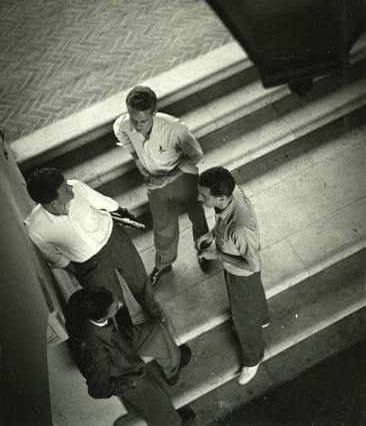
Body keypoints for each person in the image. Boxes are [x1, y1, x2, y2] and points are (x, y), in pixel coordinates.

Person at [25, 167, 163, 326]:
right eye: (65, 188)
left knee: (138, 276)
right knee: (110, 299)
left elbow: (103, 202)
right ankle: (126, 327)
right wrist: (78, 270)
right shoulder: (36, 227)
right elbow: (53, 256)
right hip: (88, 263)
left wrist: (123, 211)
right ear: (52, 202)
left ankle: (152, 308)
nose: (70, 186)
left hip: (113, 238)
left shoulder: (76, 187)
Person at [113, 85, 209, 287]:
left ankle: (205, 251)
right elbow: (126, 140)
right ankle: (164, 264)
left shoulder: (175, 128)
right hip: (154, 183)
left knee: (196, 215)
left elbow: (196, 155)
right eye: (133, 120)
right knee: (162, 225)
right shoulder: (122, 125)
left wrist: (168, 178)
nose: (137, 127)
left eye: (143, 121)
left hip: (182, 178)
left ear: (154, 113)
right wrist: (139, 163)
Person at [65, 286, 195, 426]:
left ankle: (173, 371)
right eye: (115, 307)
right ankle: (173, 423)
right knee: (156, 400)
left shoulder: (79, 299)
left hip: (118, 341)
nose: (120, 303)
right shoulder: (94, 354)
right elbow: (99, 390)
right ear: (103, 315)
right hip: (119, 368)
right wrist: (129, 384)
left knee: (155, 329)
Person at [195, 167, 269, 386]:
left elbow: (252, 266)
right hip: (240, 265)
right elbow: (222, 218)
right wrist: (211, 234)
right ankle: (263, 318)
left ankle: (253, 359)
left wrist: (217, 254)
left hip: (242, 274)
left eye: (203, 196)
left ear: (221, 197)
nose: (198, 198)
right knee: (255, 296)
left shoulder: (240, 228)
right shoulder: (232, 194)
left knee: (244, 318)